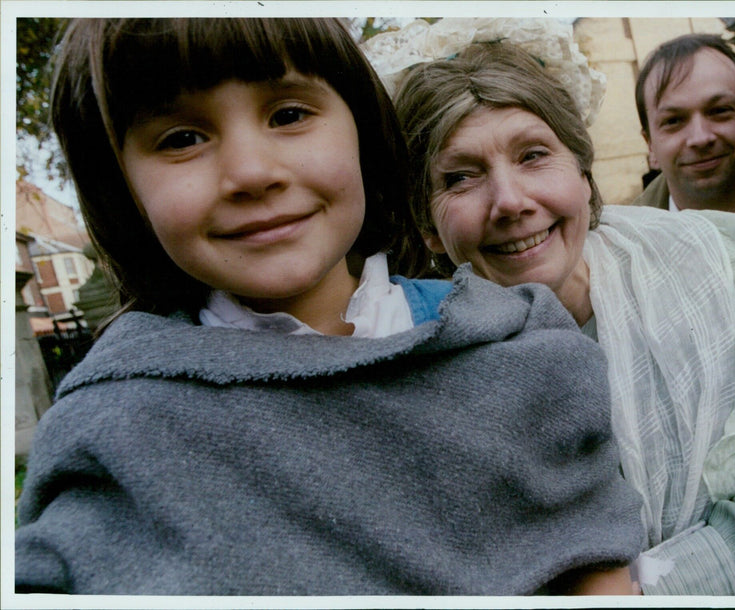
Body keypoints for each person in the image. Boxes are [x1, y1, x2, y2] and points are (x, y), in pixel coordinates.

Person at [14, 18, 644, 595]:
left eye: (288, 114)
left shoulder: (518, 340)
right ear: (121, 190)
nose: (252, 172)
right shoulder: (115, 428)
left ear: (365, 137)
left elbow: (596, 561)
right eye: (182, 137)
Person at [392, 38, 735, 596]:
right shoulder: (423, 374)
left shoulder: (716, 269)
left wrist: (643, 586)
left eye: (532, 155)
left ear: (583, 173)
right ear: (428, 225)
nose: (509, 200)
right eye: (460, 177)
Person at [630, 33, 735, 278]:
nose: (700, 138)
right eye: (673, 121)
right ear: (649, 142)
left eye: (719, 111)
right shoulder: (624, 252)